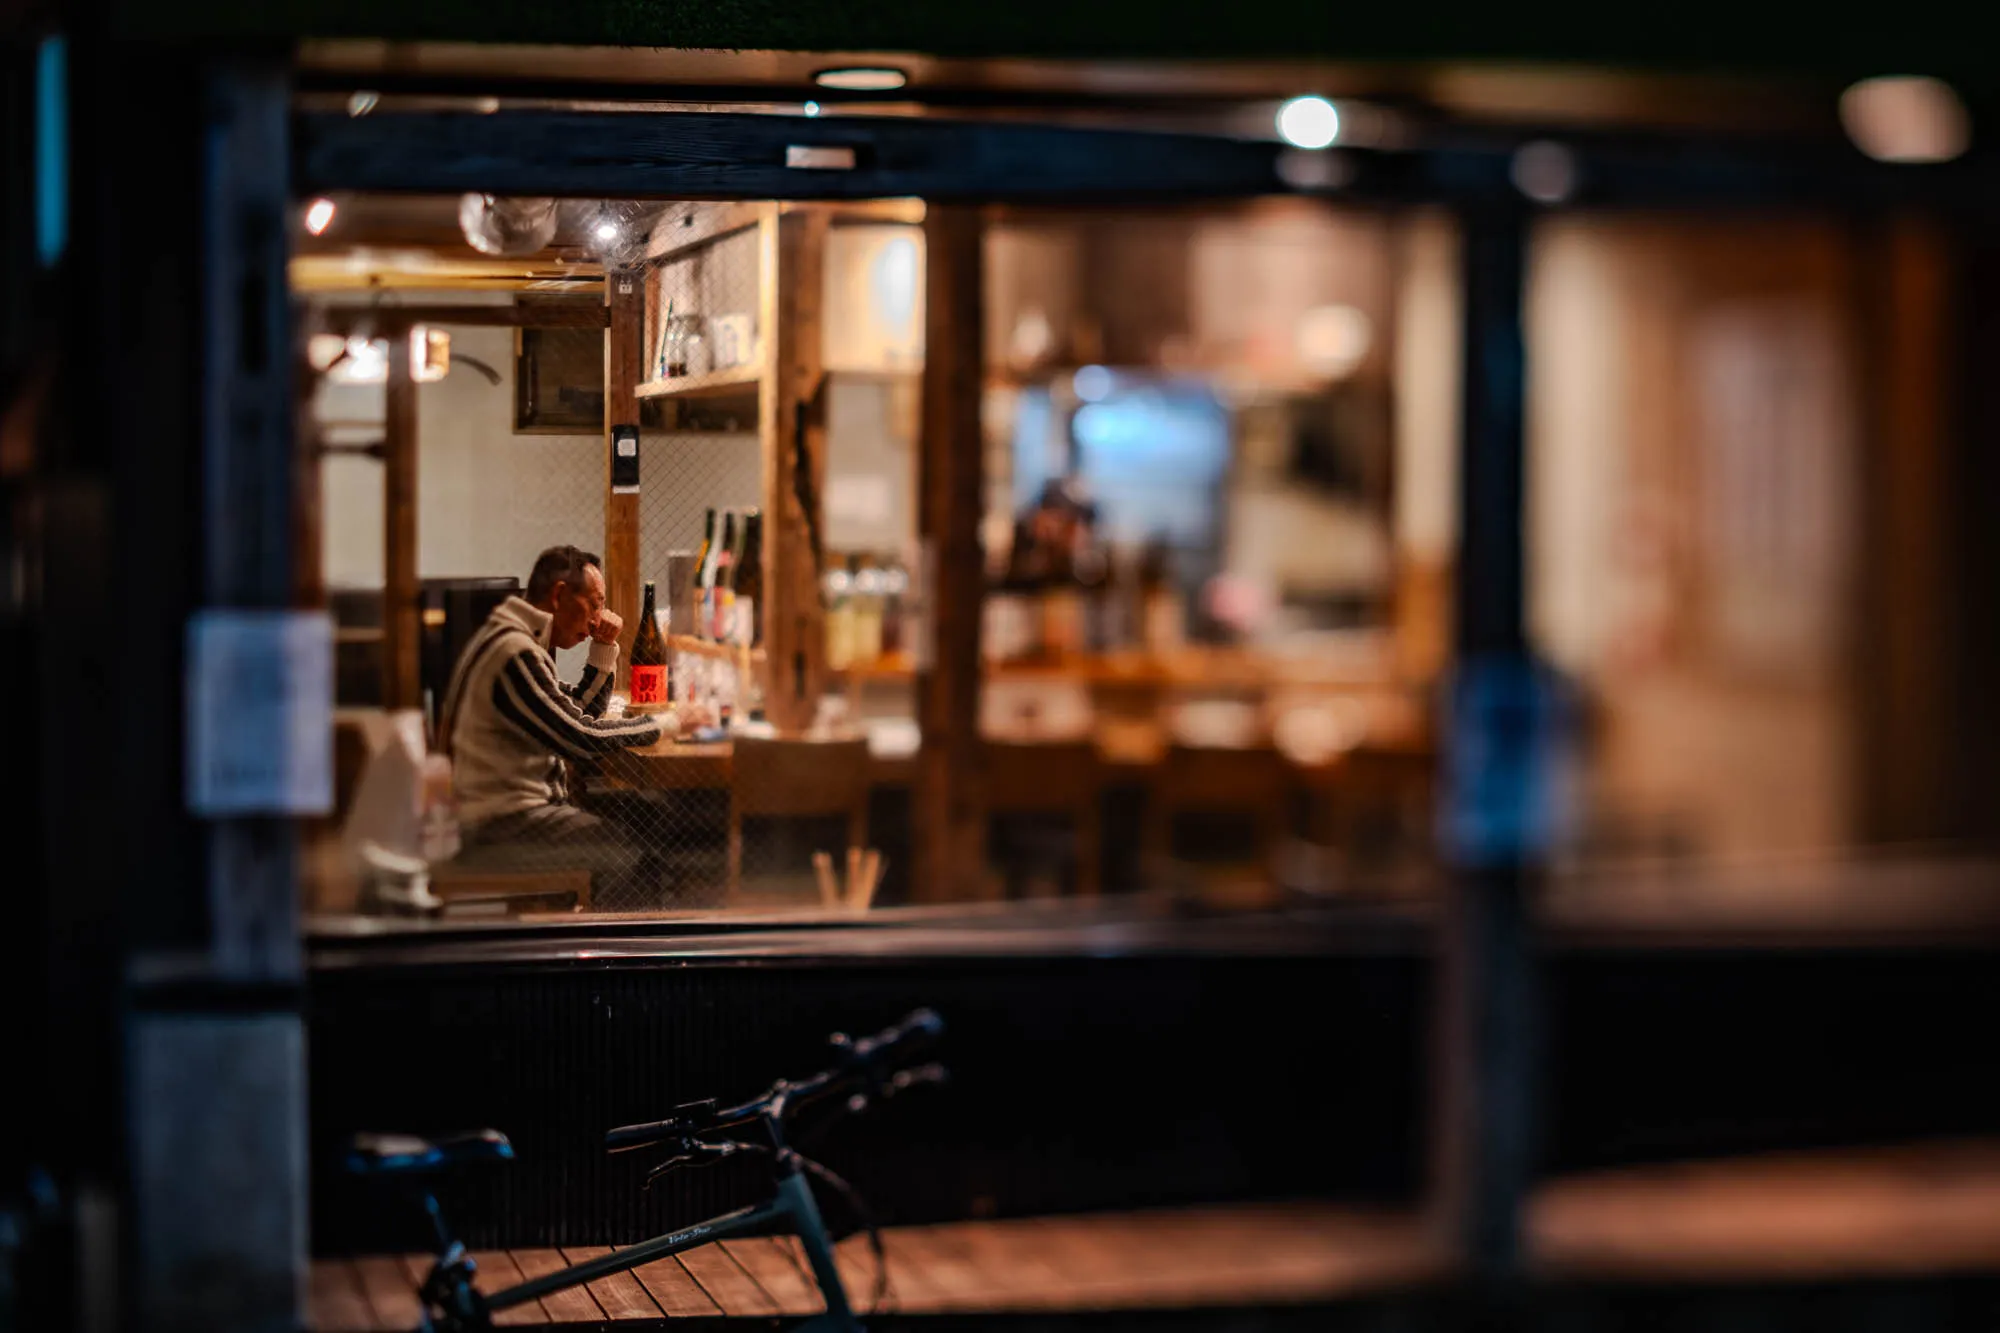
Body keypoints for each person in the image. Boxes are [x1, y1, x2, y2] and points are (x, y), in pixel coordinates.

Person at [438, 545, 666, 901]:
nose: (597, 619)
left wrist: (604, 648)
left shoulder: (513, 640)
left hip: (505, 821)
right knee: (635, 856)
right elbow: (580, 735)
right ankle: (596, 950)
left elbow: (574, 711)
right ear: (560, 595)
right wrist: (666, 724)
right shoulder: (514, 651)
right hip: (500, 828)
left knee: (641, 824)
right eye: (594, 604)